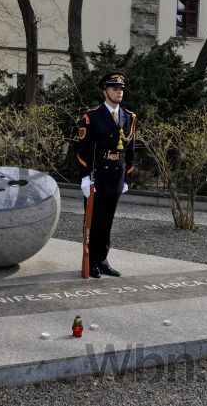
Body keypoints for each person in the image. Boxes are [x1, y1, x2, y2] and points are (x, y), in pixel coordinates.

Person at [76, 70, 136, 278]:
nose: (119, 92)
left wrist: (127, 177)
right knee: (94, 221)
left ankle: (102, 260)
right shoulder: (92, 116)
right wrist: (85, 176)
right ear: (105, 92)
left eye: (121, 89)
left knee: (108, 221)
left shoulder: (129, 117)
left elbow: (130, 151)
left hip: (116, 176)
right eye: (114, 88)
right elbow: (83, 149)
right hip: (98, 176)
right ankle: (90, 261)